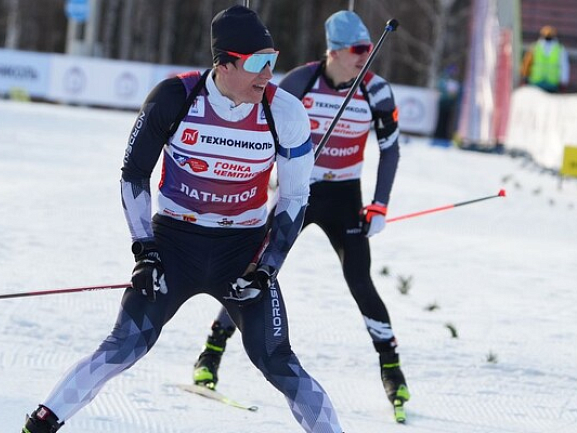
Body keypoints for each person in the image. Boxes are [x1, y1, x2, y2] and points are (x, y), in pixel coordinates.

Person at [21, 5, 345, 433]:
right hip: (175, 245)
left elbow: (295, 196)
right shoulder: (175, 97)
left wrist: (266, 268)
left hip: (241, 251)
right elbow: (134, 175)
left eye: (274, 59)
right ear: (223, 63)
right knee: (123, 348)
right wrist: (145, 251)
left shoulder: (284, 113)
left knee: (278, 361)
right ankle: (39, 425)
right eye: (257, 63)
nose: (268, 74)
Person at [192, 9, 409, 421]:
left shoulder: (376, 91)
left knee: (360, 279)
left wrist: (380, 203)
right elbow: (259, 123)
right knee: (257, 268)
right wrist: (270, 176)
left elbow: (391, 148)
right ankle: (211, 352)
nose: (366, 56)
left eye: (368, 48)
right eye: (356, 50)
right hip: (300, 192)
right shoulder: (300, 82)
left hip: (345, 195)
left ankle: (392, 371)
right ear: (333, 52)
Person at [521, 25, 570, 93]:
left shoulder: (534, 47)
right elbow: (564, 67)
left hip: (539, 83)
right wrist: (564, 83)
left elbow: (526, 63)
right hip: (549, 84)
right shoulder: (560, 49)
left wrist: (524, 77)